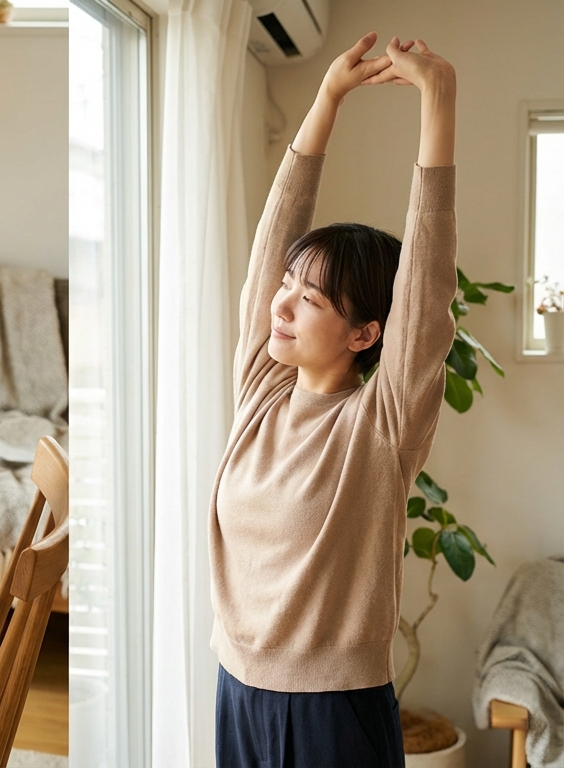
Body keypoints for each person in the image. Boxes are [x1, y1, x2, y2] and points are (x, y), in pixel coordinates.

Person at [210, 33, 457, 767]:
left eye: (310, 298)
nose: (282, 306)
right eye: (287, 287)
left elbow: (427, 287)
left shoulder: (380, 425)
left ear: (364, 333)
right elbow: (272, 245)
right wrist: (327, 99)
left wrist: (437, 103)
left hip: (332, 712)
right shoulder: (261, 387)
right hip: (237, 686)